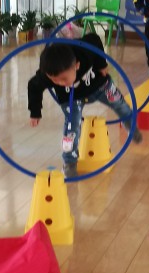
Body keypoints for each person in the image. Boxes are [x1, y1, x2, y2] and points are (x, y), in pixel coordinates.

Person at [28, 32, 141, 177]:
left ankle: (131, 126)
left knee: (120, 104)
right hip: (71, 98)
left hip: (100, 86)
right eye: (55, 80)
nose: (60, 83)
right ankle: (69, 163)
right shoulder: (46, 74)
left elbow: (94, 39)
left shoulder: (83, 51)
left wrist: (101, 64)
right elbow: (33, 86)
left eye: (64, 78)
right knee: (71, 128)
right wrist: (35, 112)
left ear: (77, 65)